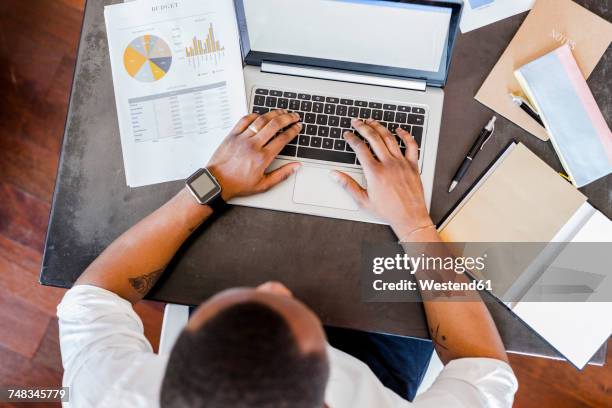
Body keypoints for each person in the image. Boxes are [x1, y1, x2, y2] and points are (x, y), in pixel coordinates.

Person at [57, 110, 518, 407]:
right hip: (382, 364)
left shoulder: (112, 394)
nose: (275, 287)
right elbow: (483, 368)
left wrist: (212, 183)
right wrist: (415, 223)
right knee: (533, 267)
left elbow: (94, 298)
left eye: (240, 308)